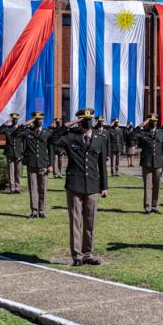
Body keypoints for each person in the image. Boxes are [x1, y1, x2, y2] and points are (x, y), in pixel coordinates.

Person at [49, 108, 109, 266]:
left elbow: (102, 164)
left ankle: (87, 253)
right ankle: (77, 255)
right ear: (79, 121)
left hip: (93, 186)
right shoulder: (70, 137)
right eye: (84, 120)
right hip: (74, 185)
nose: (88, 123)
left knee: (90, 221)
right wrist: (67, 125)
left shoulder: (99, 138)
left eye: (90, 120)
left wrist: (104, 186)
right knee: (76, 221)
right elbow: (52, 140)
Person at [17, 111, 53, 218]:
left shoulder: (47, 132)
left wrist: (51, 164)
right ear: (34, 120)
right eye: (37, 119)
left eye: (41, 119)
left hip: (43, 164)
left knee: (43, 188)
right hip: (31, 164)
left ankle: (42, 210)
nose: (40, 121)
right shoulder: (28, 132)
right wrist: (26, 124)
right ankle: (34, 210)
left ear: (43, 120)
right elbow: (16, 134)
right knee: (33, 188)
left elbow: (51, 149)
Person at [134, 114, 163, 214]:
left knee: (157, 185)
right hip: (147, 163)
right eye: (151, 121)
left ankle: (155, 205)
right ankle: (147, 206)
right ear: (149, 122)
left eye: (155, 121)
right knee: (147, 185)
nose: (154, 123)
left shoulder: (161, 133)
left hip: (158, 163)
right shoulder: (143, 133)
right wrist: (142, 124)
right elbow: (132, 134)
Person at [0, 113, 25, 194]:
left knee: (18, 171)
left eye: (16, 119)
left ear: (18, 120)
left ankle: (18, 187)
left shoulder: (21, 129)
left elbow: (24, 141)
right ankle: (12, 188)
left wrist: (23, 152)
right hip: (10, 152)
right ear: (12, 120)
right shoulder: (7, 129)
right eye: (14, 119)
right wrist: (4, 124)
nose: (15, 120)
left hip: (19, 152)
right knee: (11, 171)